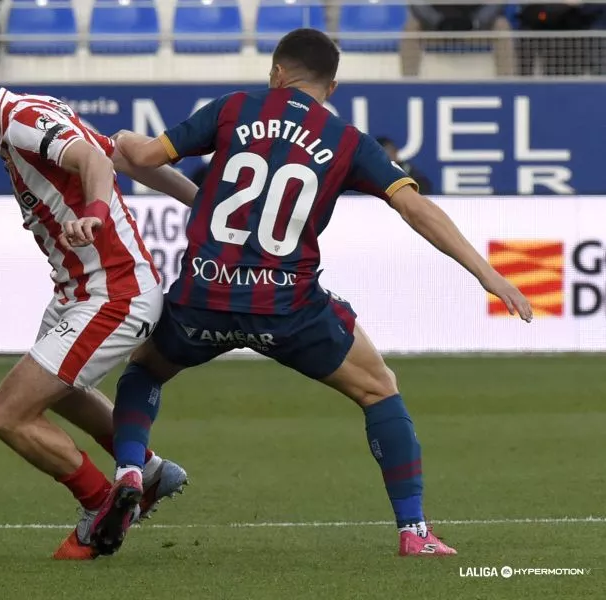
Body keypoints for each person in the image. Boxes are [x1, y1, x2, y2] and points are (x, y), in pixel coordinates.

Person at [86, 28, 533, 557]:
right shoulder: (347, 140)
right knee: (378, 388)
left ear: (276, 72)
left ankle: (134, 469)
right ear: (333, 87)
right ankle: (413, 532)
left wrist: (122, 142)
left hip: (204, 295)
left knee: (145, 368)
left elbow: (146, 157)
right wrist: (488, 273)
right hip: (286, 307)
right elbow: (414, 207)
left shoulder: (233, 108)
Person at [0, 67, 200, 560]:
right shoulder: (28, 116)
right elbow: (120, 154)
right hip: (84, 293)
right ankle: (147, 472)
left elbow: (92, 162)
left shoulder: (20, 120)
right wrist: (200, 202)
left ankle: (102, 505)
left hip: (112, 294)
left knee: (7, 412)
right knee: (60, 394)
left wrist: (98, 214)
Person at [401, 4, 514, 77]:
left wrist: (476, 22)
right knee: (412, 26)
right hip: (438, 28)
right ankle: (408, 85)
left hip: (475, 29)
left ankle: (507, 86)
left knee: (501, 25)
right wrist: (437, 21)